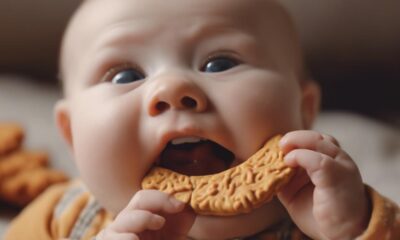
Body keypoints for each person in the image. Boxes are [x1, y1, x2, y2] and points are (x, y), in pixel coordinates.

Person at [5, 0, 399, 239]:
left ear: (304, 110)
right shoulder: (61, 219)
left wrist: (354, 228)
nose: (173, 88)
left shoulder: (325, 217)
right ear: (72, 135)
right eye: (125, 76)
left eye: (219, 63)